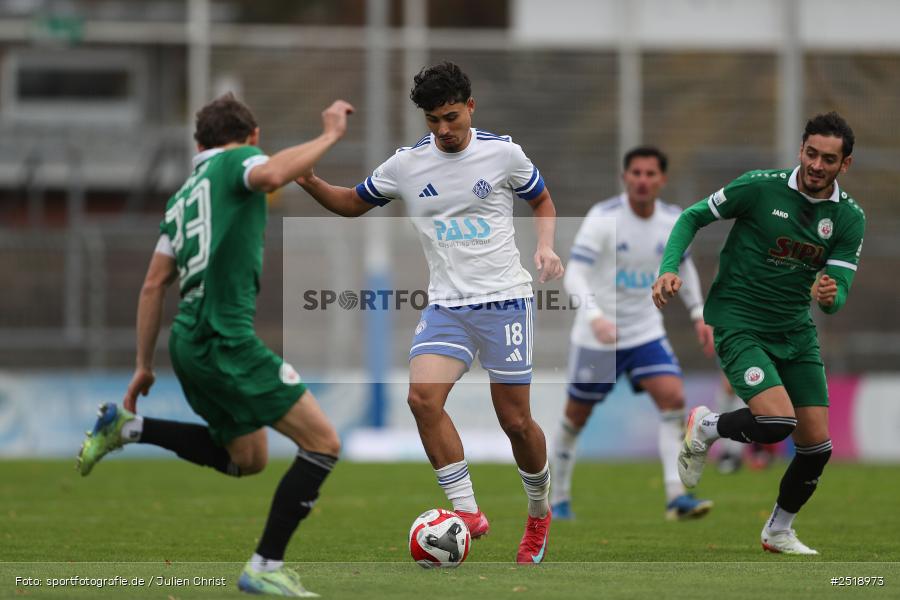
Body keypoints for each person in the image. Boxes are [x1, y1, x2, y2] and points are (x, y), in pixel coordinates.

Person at [77, 93, 354, 596]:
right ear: (252, 138)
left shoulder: (182, 197)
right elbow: (269, 176)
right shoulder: (238, 160)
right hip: (227, 341)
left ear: (198, 142)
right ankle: (265, 566)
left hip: (188, 342)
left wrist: (143, 365)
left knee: (247, 458)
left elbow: (152, 283)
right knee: (323, 443)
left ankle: (129, 426)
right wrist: (330, 135)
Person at [297, 62, 564, 564]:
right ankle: (466, 513)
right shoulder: (406, 165)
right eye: (432, 121)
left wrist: (546, 247)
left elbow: (543, 201)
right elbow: (353, 203)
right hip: (447, 306)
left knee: (516, 422)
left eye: (451, 117)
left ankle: (538, 512)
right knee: (422, 399)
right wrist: (309, 180)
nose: (443, 130)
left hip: (505, 300)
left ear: (470, 106)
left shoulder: (504, 154)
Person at [653, 112, 865, 555]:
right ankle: (707, 426)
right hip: (738, 321)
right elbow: (692, 217)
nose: (817, 165)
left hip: (795, 330)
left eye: (829, 159)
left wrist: (830, 295)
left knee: (817, 447)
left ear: (844, 165)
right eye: (811, 153)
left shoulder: (848, 218)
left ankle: (778, 531)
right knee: (776, 422)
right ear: (800, 150)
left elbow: (837, 293)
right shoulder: (759, 187)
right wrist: (669, 268)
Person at [550, 146, 715, 522]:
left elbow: (683, 269)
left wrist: (698, 312)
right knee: (575, 417)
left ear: (662, 180)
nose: (642, 180)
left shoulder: (674, 220)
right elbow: (574, 273)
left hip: (645, 333)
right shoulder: (603, 218)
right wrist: (594, 317)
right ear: (625, 178)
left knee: (673, 398)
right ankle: (557, 500)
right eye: (635, 173)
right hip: (598, 337)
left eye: (650, 174)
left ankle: (676, 496)